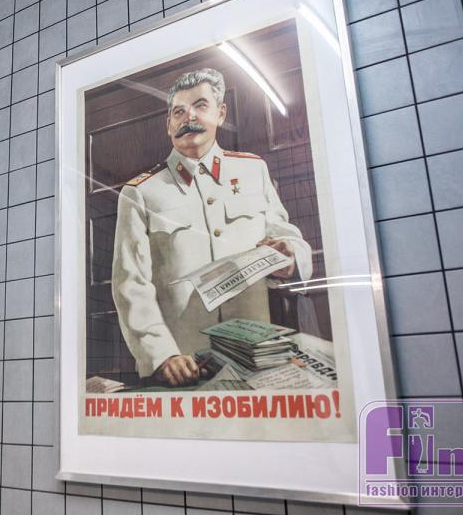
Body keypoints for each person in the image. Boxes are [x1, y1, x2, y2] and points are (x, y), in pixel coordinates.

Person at [111, 68, 312, 387]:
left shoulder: (253, 171)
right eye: (178, 111)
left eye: (200, 105)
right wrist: (162, 355)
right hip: (185, 365)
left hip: (259, 359)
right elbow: (130, 284)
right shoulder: (141, 192)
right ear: (168, 125)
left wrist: (290, 257)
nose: (188, 116)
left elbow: (289, 238)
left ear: (221, 113)